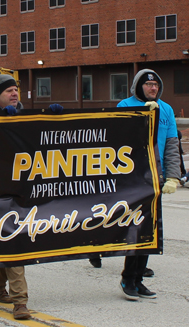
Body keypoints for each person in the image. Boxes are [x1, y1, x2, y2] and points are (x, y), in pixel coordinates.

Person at [117, 69, 180, 301]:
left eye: (155, 84)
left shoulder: (167, 109)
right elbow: (118, 139)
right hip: (134, 178)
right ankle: (127, 277)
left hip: (156, 177)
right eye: (148, 84)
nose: (152, 88)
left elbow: (172, 145)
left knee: (150, 232)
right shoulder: (125, 104)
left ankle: (137, 279)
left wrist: (173, 176)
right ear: (138, 86)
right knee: (134, 228)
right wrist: (143, 116)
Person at [0, 74, 31, 320]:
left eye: (16, 90)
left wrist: (56, 119)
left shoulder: (27, 117)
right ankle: (20, 301)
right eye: (8, 91)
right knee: (15, 240)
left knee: (11, 239)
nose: (14, 94)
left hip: (22, 189)